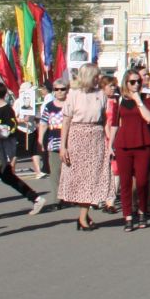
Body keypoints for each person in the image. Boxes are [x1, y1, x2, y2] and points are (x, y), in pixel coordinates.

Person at [57, 65, 112, 232]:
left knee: (94, 177)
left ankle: (83, 216)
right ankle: (83, 216)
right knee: (81, 179)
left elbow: (104, 120)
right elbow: (66, 122)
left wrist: (108, 142)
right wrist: (63, 146)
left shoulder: (100, 95)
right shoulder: (73, 95)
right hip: (77, 136)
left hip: (96, 136)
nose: (98, 80)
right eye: (95, 77)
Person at [107, 75, 150, 231]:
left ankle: (142, 211)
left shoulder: (146, 99)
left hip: (142, 142)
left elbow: (149, 118)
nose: (136, 84)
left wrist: (138, 99)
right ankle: (128, 216)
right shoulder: (118, 101)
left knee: (142, 181)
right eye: (132, 82)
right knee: (125, 182)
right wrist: (110, 144)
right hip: (123, 144)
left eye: (139, 81)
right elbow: (114, 124)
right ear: (126, 83)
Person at [0, 83, 48, 215]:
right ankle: (36, 198)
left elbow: (9, 130)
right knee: (6, 177)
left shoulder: (7, 110)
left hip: (3, 150)